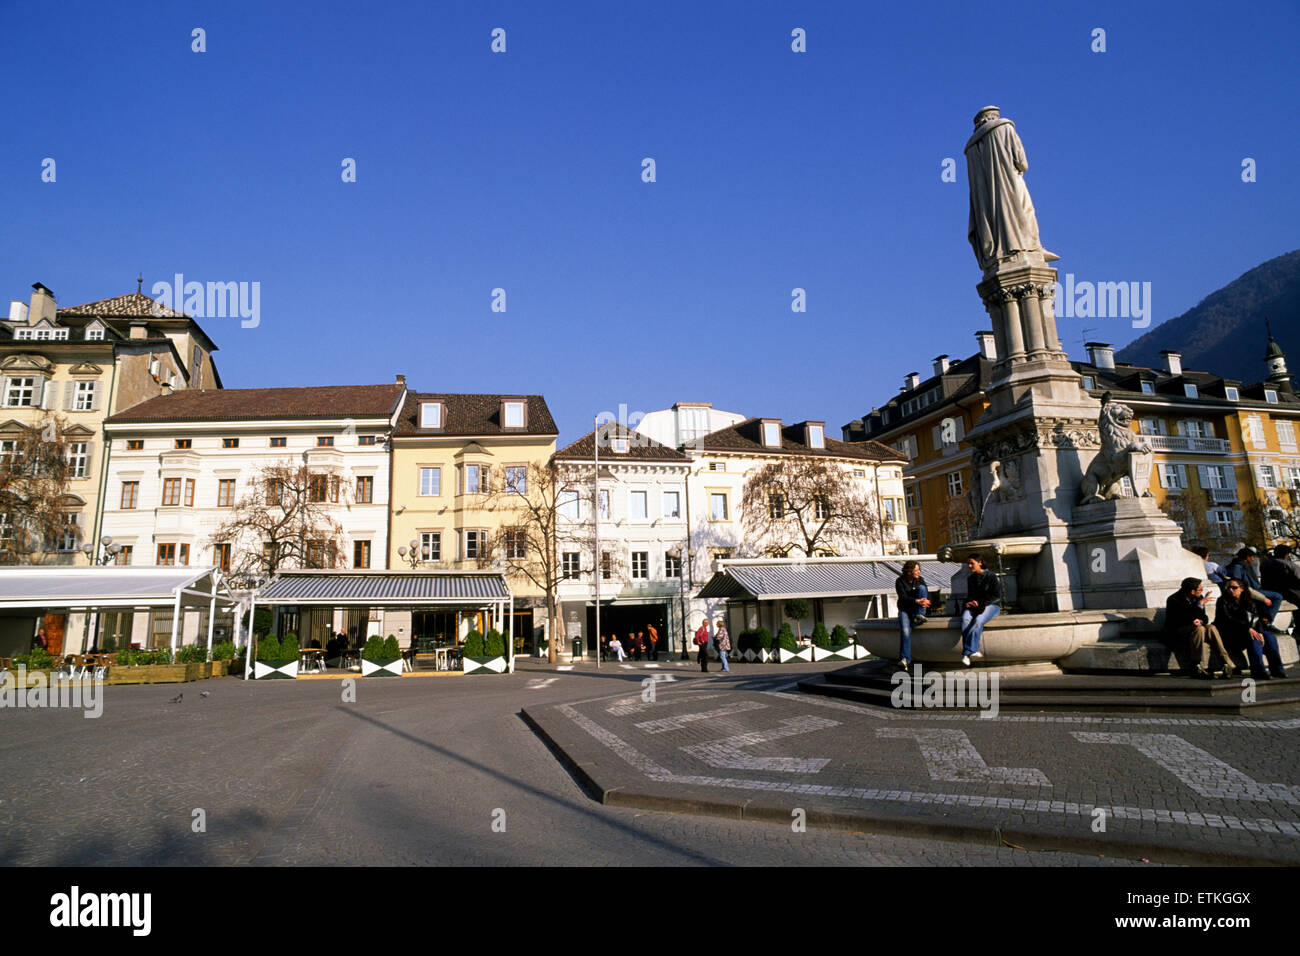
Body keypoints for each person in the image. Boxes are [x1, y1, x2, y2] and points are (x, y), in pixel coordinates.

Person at [1215, 578, 1287, 680]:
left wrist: (1260, 632)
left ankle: (1277, 669)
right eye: (1228, 587)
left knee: (1270, 638)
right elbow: (1228, 620)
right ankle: (1258, 671)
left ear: (1242, 589)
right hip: (1231, 634)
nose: (1230, 590)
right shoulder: (1223, 601)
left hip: (1249, 631)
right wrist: (1247, 629)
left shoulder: (1249, 601)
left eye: (1234, 587)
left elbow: (1257, 618)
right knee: (1254, 639)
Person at [1164, 577, 1232, 678]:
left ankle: (1226, 663)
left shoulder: (1198, 598)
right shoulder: (1174, 600)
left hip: (1195, 629)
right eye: (1200, 589)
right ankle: (1196, 665)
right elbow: (1177, 619)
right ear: (1192, 591)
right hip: (1178, 630)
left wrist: (1200, 620)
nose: (1202, 591)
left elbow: (1204, 617)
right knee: (1199, 629)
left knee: (1211, 627)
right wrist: (1198, 608)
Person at [1225, 547, 1286, 634]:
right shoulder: (1238, 567)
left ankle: (1265, 621)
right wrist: (1262, 598)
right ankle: (1267, 621)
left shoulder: (1241, 565)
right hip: (1250, 592)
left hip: (1253, 590)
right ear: (1247, 557)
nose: (1253, 559)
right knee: (1277, 597)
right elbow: (1239, 584)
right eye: (1252, 557)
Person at [959, 553, 1000, 666]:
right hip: (975, 606)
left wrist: (979, 602)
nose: (970, 566)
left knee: (979, 620)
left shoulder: (991, 576)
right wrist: (969, 602)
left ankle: (966, 653)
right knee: (965, 618)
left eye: (972, 563)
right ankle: (974, 650)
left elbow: (996, 596)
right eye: (969, 564)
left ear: (980, 563)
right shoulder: (971, 578)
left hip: (991, 605)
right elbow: (970, 595)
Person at [894, 560, 931, 670]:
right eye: (916, 570)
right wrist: (917, 601)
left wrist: (926, 601)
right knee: (905, 631)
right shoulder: (900, 581)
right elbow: (903, 598)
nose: (918, 572)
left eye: (919, 570)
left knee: (922, 588)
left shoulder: (920, 580)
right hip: (905, 610)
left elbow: (926, 593)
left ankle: (920, 615)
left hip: (916, 609)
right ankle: (904, 659)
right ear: (909, 571)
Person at [1261, 544, 1300, 615]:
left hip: (1269, 591)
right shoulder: (1289, 565)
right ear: (1286, 555)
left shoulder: (1264, 563)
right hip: (1288, 593)